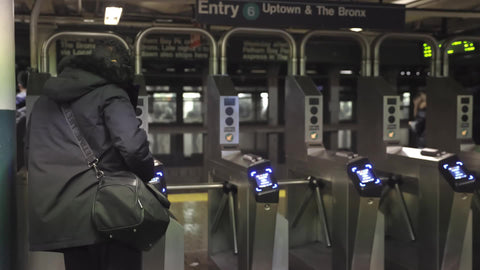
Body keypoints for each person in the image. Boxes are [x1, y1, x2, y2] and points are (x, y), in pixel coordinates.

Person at [26, 41, 154, 270]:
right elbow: (132, 146)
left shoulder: (44, 101)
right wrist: (147, 174)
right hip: (109, 211)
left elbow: (31, 151)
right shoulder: (111, 94)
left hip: (63, 215)